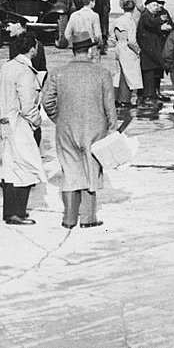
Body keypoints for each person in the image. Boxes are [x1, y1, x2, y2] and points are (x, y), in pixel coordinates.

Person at [41, 31, 118, 229]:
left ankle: (69, 218)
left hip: (66, 128)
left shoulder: (59, 72)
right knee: (91, 170)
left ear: (73, 50)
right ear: (91, 50)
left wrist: (59, 118)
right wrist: (112, 130)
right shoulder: (103, 74)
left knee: (70, 170)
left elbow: (47, 102)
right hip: (95, 129)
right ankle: (88, 218)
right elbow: (110, 106)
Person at [0, 32, 47, 225]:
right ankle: (16, 212)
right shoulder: (26, 72)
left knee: (9, 167)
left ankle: (10, 211)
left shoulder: (6, 66)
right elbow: (27, 105)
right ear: (32, 48)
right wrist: (37, 122)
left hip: (5, 121)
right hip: (19, 123)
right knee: (26, 167)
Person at [137, 0, 171, 104]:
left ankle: (150, 94)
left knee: (151, 73)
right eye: (154, 5)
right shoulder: (146, 15)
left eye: (157, 5)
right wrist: (160, 21)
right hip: (148, 49)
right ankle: (148, 95)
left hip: (151, 48)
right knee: (149, 73)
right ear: (147, 6)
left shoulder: (150, 15)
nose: (156, 7)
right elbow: (149, 24)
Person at [111, 0, 142, 108]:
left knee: (118, 73)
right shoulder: (131, 21)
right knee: (128, 73)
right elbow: (132, 41)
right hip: (127, 48)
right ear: (133, 9)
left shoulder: (118, 20)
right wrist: (137, 51)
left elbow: (112, 38)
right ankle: (124, 99)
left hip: (119, 46)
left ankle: (115, 98)